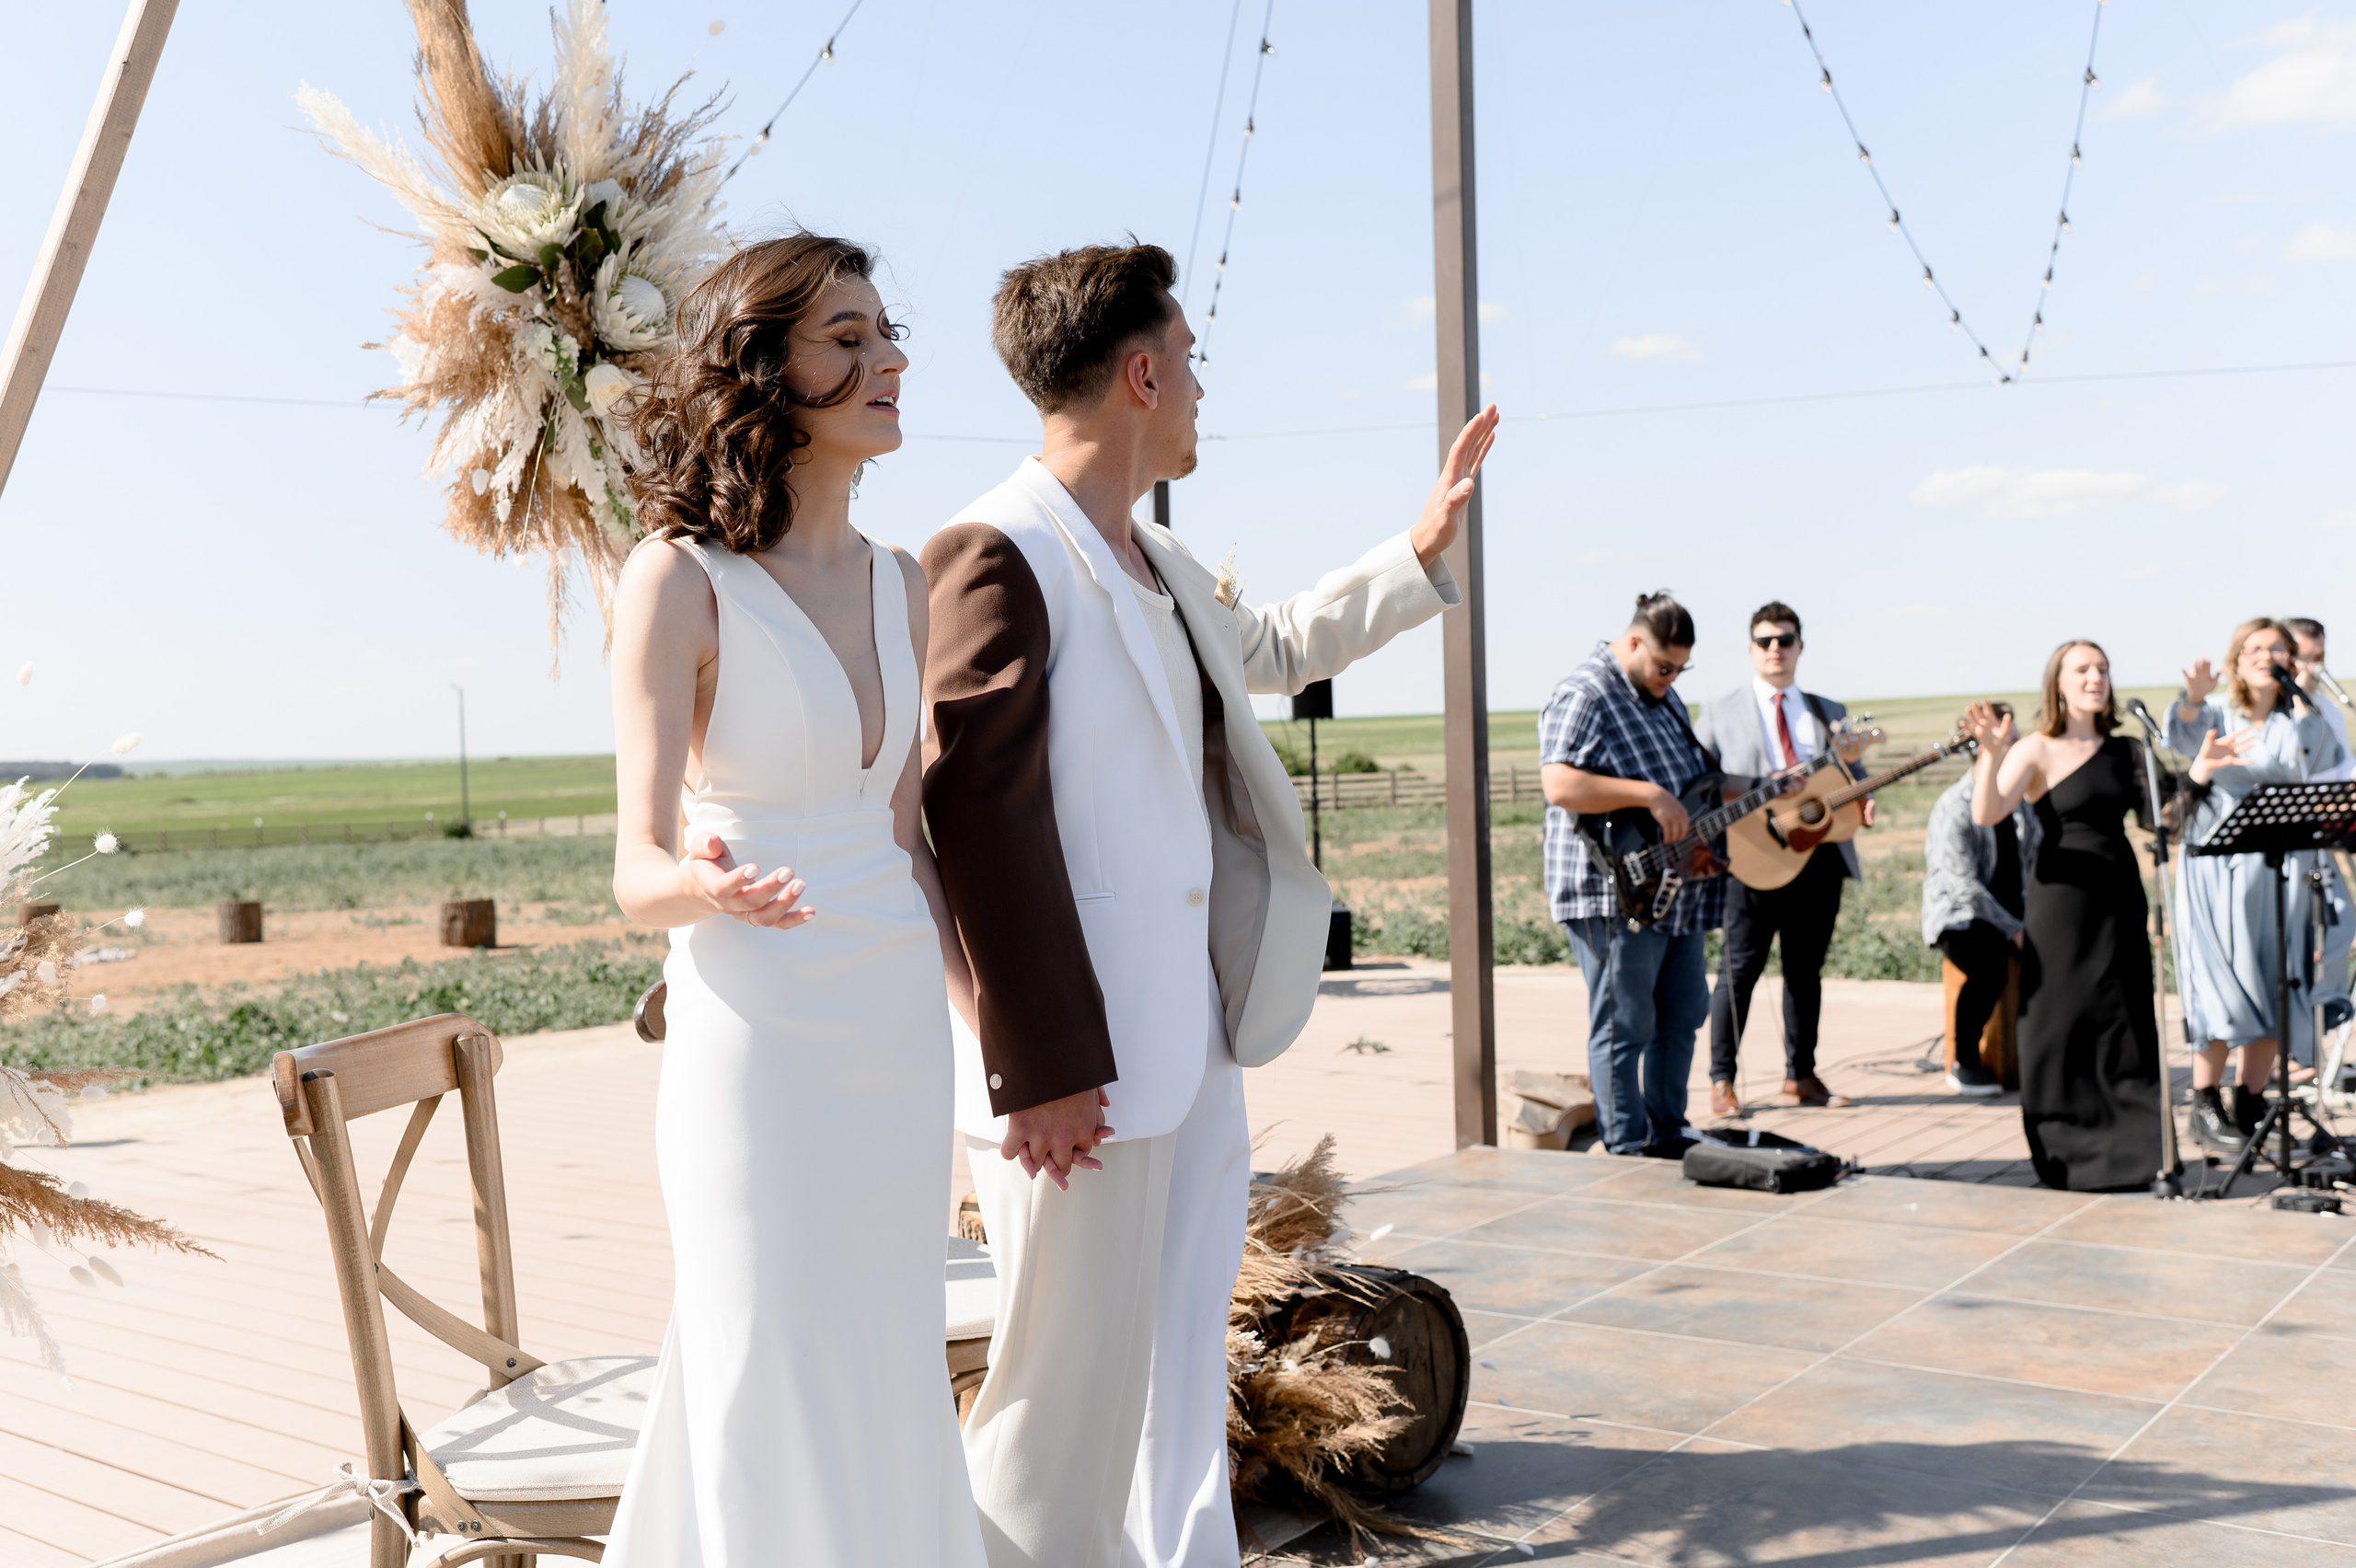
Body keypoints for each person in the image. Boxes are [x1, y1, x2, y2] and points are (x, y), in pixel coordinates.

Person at [919, 240, 1496, 1568]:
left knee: (1180, 1369)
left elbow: (1271, 648)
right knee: (1060, 1397)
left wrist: (1416, 553)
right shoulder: (995, 550)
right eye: (1188, 358)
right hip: (1072, 1070)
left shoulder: (1157, 557)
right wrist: (1038, 1064)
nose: (1198, 386)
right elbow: (977, 826)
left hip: (1188, 1039)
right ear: (1139, 374)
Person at [603, 236, 987, 1564]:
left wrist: (987, 1021)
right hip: (757, 1034)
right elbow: (634, 869)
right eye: (847, 337)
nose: (890, 360)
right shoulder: (677, 579)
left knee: (887, 1345)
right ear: (762, 369)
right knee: (762, 1339)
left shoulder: (904, 581)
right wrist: (700, 886)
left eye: (887, 333)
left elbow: (904, 838)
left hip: (893, 1030)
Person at [1542, 593, 1784, 1156]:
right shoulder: (1584, 693)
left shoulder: (1664, 697)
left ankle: (1668, 1134)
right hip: (1611, 890)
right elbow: (1559, 784)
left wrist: (1767, 786)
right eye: (1663, 666)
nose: (1670, 678)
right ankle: (1627, 1148)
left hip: (1676, 889)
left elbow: (1699, 783)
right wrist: (1649, 795)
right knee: (1624, 1025)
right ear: (1633, 642)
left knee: (1682, 1014)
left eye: (1680, 669)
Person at [1964, 640, 2164, 1192]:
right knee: (2061, 1020)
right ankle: (2068, 1148)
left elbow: (2160, 820)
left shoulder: (2126, 748)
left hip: (2119, 894)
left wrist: (2198, 771)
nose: (2095, 677)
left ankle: (2135, 1149)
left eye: (2103, 669)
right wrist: (1991, 753)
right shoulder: (2036, 748)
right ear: (2058, 683)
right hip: (2062, 902)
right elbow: (1987, 812)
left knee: (2123, 1016)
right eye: (2083, 670)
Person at [2165, 617, 2347, 1155]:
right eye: (2255, 648)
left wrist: (2304, 699)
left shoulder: (2297, 717)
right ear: (2236, 660)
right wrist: (2193, 698)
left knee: (2277, 979)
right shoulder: (2219, 712)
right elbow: (2182, 736)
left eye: (2278, 649)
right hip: (2219, 868)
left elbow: (2322, 763)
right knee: (2224, 980)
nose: (2267, 656)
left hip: (2281, 867)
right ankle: (2205, 1105)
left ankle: (2250, 1101)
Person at [1692, 600, 1872, 1115]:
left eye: (1785, 640)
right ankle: (1722, 1081)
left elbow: (1851, 775)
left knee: (1805, 971)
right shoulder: (1719, 710)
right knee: (1739, 969)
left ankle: (1802, 1075)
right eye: (1766, 641)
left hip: (1819, 856)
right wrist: (1758, 786)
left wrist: (1864, 797)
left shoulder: (1829, 710)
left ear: (1800, 646)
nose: (1776, 649)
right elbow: (1700, 781)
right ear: (1751, 649)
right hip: (1751, 855)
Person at [1921, 703, 2039, 1097]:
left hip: (2012, 910)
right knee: (1987, 966)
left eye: (2018, 739)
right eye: (2010, 741)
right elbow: (1963, 888)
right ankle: (1965, 1062)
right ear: (1981, 747)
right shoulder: (1954, 806)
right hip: (1962, 916)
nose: (2019, 747)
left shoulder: (2022, 802)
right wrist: (2014, 929)